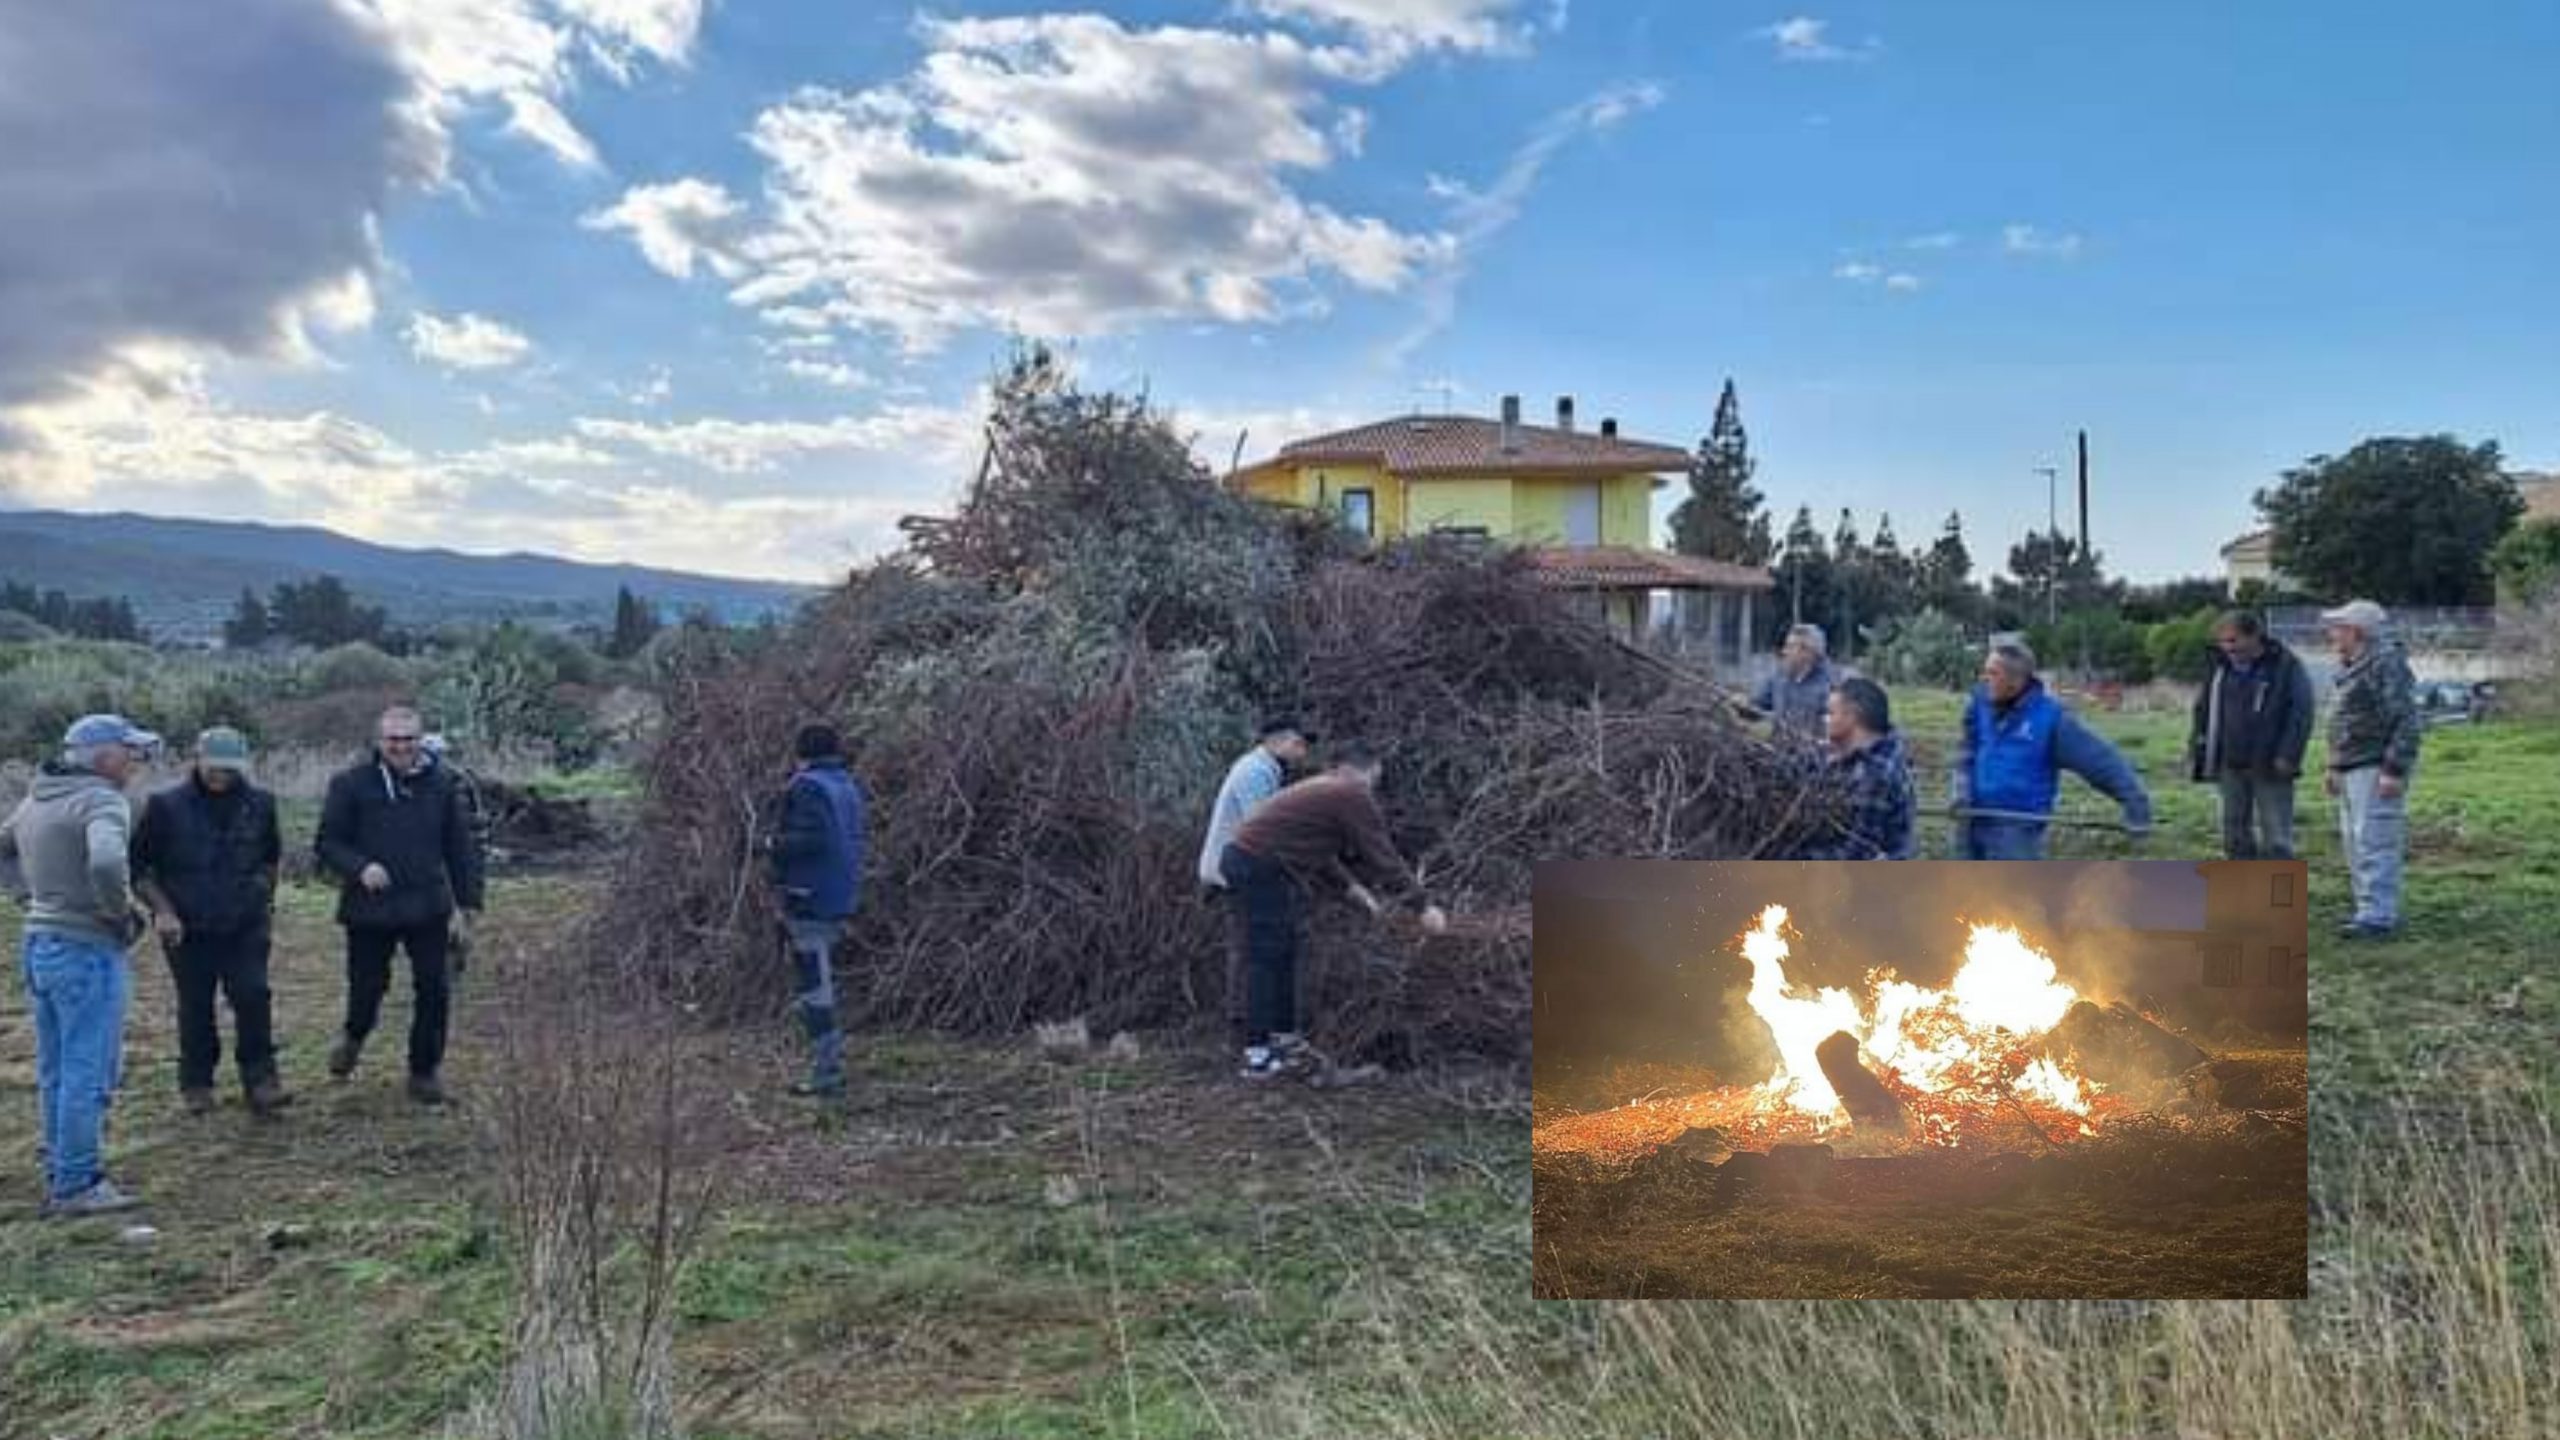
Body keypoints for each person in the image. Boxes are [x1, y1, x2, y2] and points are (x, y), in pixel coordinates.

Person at [0, 714, 159, 1216]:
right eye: (129, 752)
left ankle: (62, 1162)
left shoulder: (36, 798)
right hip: (86, 950)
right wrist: (118, 912)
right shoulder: (102, 800)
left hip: (40, 942)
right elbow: (108, 862)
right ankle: (76, 1184)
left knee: (56, 1068)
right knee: (89, 1070)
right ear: (104, 756)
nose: (135, 761)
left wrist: (31, 896)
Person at [1218, 742, 1448, 1082]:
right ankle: (1258, 1056)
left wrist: (1353, 890)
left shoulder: (1325, 788)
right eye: (1376, 779)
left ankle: (1283, 1040)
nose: (1374, 787)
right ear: (1368, 770)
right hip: (1258, 866)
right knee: (1266, 957)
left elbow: (1319, 852)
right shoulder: (1351, 792)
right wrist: (1423, 905)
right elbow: (1382, 855)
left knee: (1283, 952)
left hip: (1254, 862)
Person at [315, 706, 484, 1104]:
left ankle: (423, 1072)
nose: (401, 746)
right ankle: (353, 1037)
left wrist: (469, 903)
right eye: (393, 739)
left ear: (420, 740)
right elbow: (327, 843)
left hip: (428, 905)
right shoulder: (350, 784)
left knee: (435, 989)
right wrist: (360, 867)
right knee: (367, 990)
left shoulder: (443, 784)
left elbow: (460, 847)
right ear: (379, 741)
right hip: (369, 908)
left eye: (409, 739)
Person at [130, 726, 290, 1117]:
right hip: (186, 927)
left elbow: (271, 857)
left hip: (245, 924)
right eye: (213, 766)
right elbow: (138, 868)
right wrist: (163, 912)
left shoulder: (261, 804)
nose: (221, 775)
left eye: (229, 768)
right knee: (196, 1005)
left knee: (253, 996)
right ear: (197, 760)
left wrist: (263, 896)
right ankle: (197, 1083)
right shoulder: (165, 806)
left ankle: (261, 1080)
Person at [1953, 640, 2151, 859]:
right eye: (1985, 672)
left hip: (2017, 829)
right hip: (1970, 819)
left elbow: (2099, 761)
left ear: (2017, 680)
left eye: (1993, 673)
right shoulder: (1980, 703)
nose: (1984, 679)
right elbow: (1966, 751)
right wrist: (1961, 789)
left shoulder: (2051, 719)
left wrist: (2135, 802)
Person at [767, 722, 867, 1097]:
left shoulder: (807, 786)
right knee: (816, 983)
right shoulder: (845, 783)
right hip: (841, 894)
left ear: (801, 754)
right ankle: (825, 1064)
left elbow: (812, 840)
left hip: (810, 896)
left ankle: (827, 1077)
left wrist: (768, 843)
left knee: (815, 986)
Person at [1197, 720, 1312, 1043]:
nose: (1303, 752)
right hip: (1235, 871)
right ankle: (1244, 1028)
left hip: (1237, 868)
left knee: (1249, 947)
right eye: (1300, 744)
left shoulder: (1264, 769)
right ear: (1282, 741)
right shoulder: (1255, 771)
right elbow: (1260, 826)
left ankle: (1251, 1026)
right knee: (1250, 949)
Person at [2319, 599, 2420, 939]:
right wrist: (2333, 765)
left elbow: (2406, 718)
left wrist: (2394, 768)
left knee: (2375, 839)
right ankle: (2367, 909)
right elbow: (2341, 721)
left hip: (2375, 765)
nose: (2331, 633)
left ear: (2356, 631)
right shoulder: (2350, 665)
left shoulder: (2386, 663)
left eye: (2337, 627)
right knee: (2354, 840)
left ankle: (2378, 916)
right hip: (2350, 765)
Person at [2187, 610, 2317, 859]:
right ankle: (2244, 892)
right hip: (2230, 764)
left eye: (2233, 640)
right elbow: (2202, 709)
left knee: (2277, 838)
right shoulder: (2217, 666)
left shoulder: (2286, 666)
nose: (2227, 647)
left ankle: (2278, 895)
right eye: (2222, 641)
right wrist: (2198, 747)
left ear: (2254, 636)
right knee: (2234, 834)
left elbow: (2301, 713)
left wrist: (2288, 755)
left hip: (2272, 764)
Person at [1797, 678, 1916, 861]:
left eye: (1830, 713)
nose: (1824, 720)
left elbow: (1855, 854)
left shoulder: (1877, 773)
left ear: (1852, 716)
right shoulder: (1852, 756)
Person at [1748, 624, 1838, 742]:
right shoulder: (1778, 678)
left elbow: (1835, 730)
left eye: (1789, 647)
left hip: (1813, 756)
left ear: (1808, 652)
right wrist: (1737, 706)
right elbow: (1755, 707)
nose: (1784, 651)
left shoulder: (1830, 685)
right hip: (1779, 753)